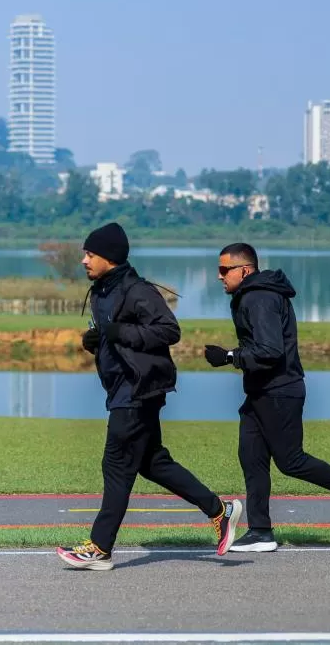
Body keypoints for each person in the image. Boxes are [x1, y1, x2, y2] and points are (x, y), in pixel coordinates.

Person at [56, 222, 242, 571]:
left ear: (108, 258)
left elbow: (169, 331)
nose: (83, 260)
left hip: (139, 390)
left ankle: (99, 547)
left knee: (116, 465)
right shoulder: (101, 291)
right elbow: (112, 332)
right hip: (121, 388)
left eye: (90, 254)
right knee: (152, 463)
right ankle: (220, 510)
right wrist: (96, 341)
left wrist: (120, 332)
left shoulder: (137, 290)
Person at [205, 243, 330, 553]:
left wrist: (230, 356)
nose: (219, 276)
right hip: (261, 392)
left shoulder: (258, 297)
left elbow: (271, 351)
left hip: (280, 391)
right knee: (251, 456)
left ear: (244, 270)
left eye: (224, 270)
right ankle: (261, 531)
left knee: (291, 461)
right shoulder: (254, 294)